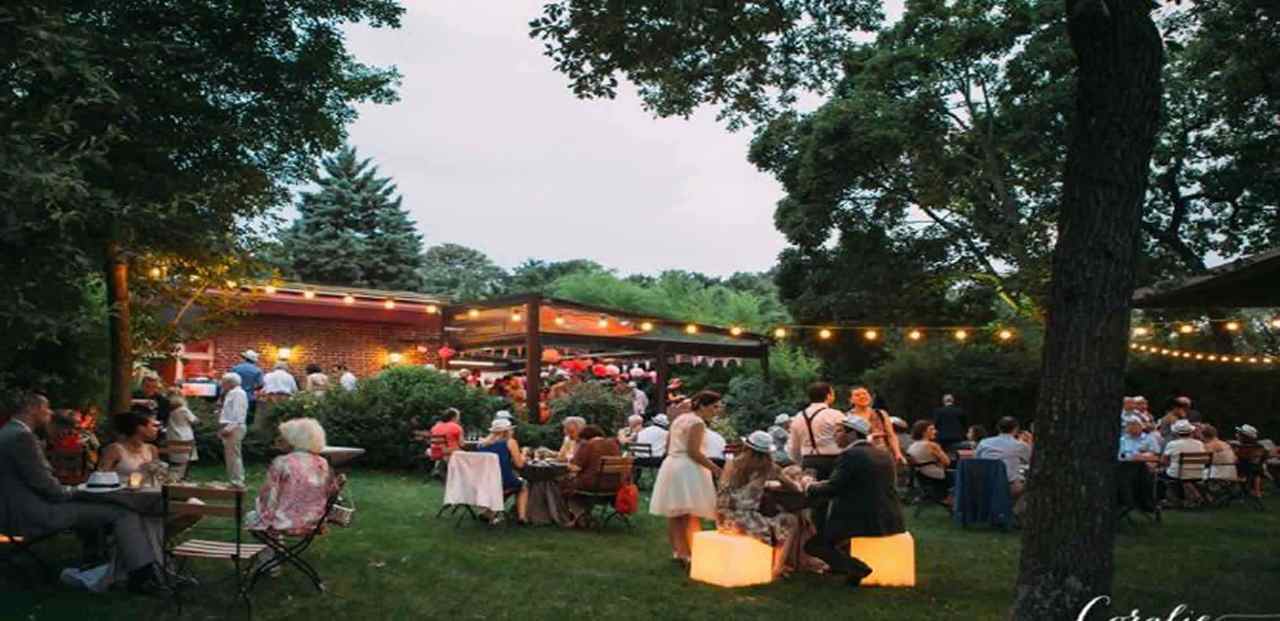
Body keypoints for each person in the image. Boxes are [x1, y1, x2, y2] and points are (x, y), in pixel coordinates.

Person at [0, 392, 163, 593]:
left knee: (114, 507)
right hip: (31, 512)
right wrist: (81, 491)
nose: (50, 414)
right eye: (46, 409)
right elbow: (48, 488)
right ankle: (141, 577)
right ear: (32, 409)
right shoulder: (21, 437)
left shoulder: (8, 432)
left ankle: (121, 568)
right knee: (123, 512)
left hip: (18, 507)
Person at [803, 414, 905, 588]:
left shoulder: (851, 454)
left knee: (814, 546)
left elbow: (834, 487)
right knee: (833, 539)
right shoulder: (882, 453)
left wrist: (808, 486)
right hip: (889, 516)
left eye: (839, 430)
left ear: (852, 433)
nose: (835, 435)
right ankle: (850, 575)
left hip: (862, 518)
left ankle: (857, 568)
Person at [715, 431, 802, 578]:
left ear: (747, 447)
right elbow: (794, 488)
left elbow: (724, 493)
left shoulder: (731, 464)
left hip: (724, 520)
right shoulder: (768, 467)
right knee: (790, 521)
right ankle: (776, 568)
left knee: (769, 519)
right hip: (747, 522)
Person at [650, 391, 723, 565]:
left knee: (675, 513)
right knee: (688, 513)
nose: (717, 410)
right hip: (687, 468)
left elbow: (668, 446)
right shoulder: (697, 423)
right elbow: (693, 452)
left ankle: (678, 550)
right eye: (715, 406)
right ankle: (687, 553)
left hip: (672, 464)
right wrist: (714, 468)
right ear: (703, 406)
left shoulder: (679, 419)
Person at [247, 418, 339, 535]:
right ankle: (275, 549)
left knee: (251, 516)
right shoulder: (322, 463)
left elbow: (269, 496)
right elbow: (329, 492)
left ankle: (271, 551)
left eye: (284, 437)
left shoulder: (282, 462)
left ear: (294, 440)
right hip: (314, 522)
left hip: (285, 523)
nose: (280, 440)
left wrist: (262, 511)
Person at [563, 425, 624, 525]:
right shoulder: (613, 444)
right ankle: (585, 515)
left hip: (593, 485)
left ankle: (579, 515)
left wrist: (568, 463)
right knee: (573, 482)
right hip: (615, 486)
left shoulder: (588, 445)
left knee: (563, 482)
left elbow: (575, 467)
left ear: (584, 437)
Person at [473, 418, 528, 524]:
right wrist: (524, 453)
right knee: (523, 485)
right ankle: (522, 517)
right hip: (503, 481)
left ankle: (489, 513)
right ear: (505, 431)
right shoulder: (510, 442)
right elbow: (520, 464)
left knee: (502, 488)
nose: (512, 432)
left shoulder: (482, 444)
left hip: (484, 481)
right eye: (511, 430)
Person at [975, 417, 1032, 498]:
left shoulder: (984, 442)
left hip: (985, 485)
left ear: (998, 428)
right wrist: (1029, 441)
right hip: (1008, 486)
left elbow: (976, 460)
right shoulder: (1020, 445)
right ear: (1016, 429)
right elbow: (1033, 461)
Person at [847, 386, 905, 465]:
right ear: (851, 400)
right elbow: (848, 441)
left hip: (883, 455)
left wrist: (898, 453)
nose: (862, 396)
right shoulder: (848, 417)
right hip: (860, 458)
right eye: (857, 395)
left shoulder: (881, 413)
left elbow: (891, 435)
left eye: (865, 393)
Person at [98, 411, 161, 479]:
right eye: (153, 426)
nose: (156, 429)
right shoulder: (115, 449)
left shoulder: (151, 449)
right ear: (140, 428)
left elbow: (157, 476)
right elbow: (101, 475)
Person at [1161, 419, 1205, 505]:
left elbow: (1163, 460)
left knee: (1163, 474)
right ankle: (1190, 498)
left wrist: (1167, 465)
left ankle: (1172, 499)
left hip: (1179, 473)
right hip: (1199, 473)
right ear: (1191, 432)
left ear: (1176, 433)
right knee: (1180, 475)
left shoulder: (1172, 444)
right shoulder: (1199, 443)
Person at [218, 372, 249, 487]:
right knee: (231, 455)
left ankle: (237, 481)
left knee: (234, 455)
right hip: (230, 426)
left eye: (223, 382)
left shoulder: (238, 394)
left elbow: (238, 413)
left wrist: (229, 428)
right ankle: (234, 480)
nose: (221, 384)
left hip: (234, 427)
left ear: (230, 383)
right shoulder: (232, 393)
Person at [906, 420, 951, 497]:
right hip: (936, 476)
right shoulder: (932, 445)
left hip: (921, 477)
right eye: (931, 429)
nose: (935, 431)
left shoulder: (911, 446)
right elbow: (947, 462)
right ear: (923, 432)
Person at [164, 392, 198, 481]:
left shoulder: (169, 410)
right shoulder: (183, 410)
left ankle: (173, 476)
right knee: (185, 458)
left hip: (171, 435)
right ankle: (181, 477)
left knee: (174, 458)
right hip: (185, 436)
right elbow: (194, 420)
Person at [424, 408, 464, 480]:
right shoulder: (457, 427)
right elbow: (462, 444)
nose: (459, 418)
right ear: (453, 417)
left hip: (435, 452)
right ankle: (459, 478)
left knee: (447, 454)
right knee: (467, 456)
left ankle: (439, 469)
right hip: (449, 453)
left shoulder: (436, 426)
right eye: (458, 416)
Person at [231, 350, 264, 427]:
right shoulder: (258, 370)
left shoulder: (235, 368)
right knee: (248, 419)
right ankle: (247, 435)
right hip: (249, 398)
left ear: (245, 358)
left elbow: (229, 381)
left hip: (235, 396)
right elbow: (261, 385)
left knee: (234, 419)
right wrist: (253, 388)